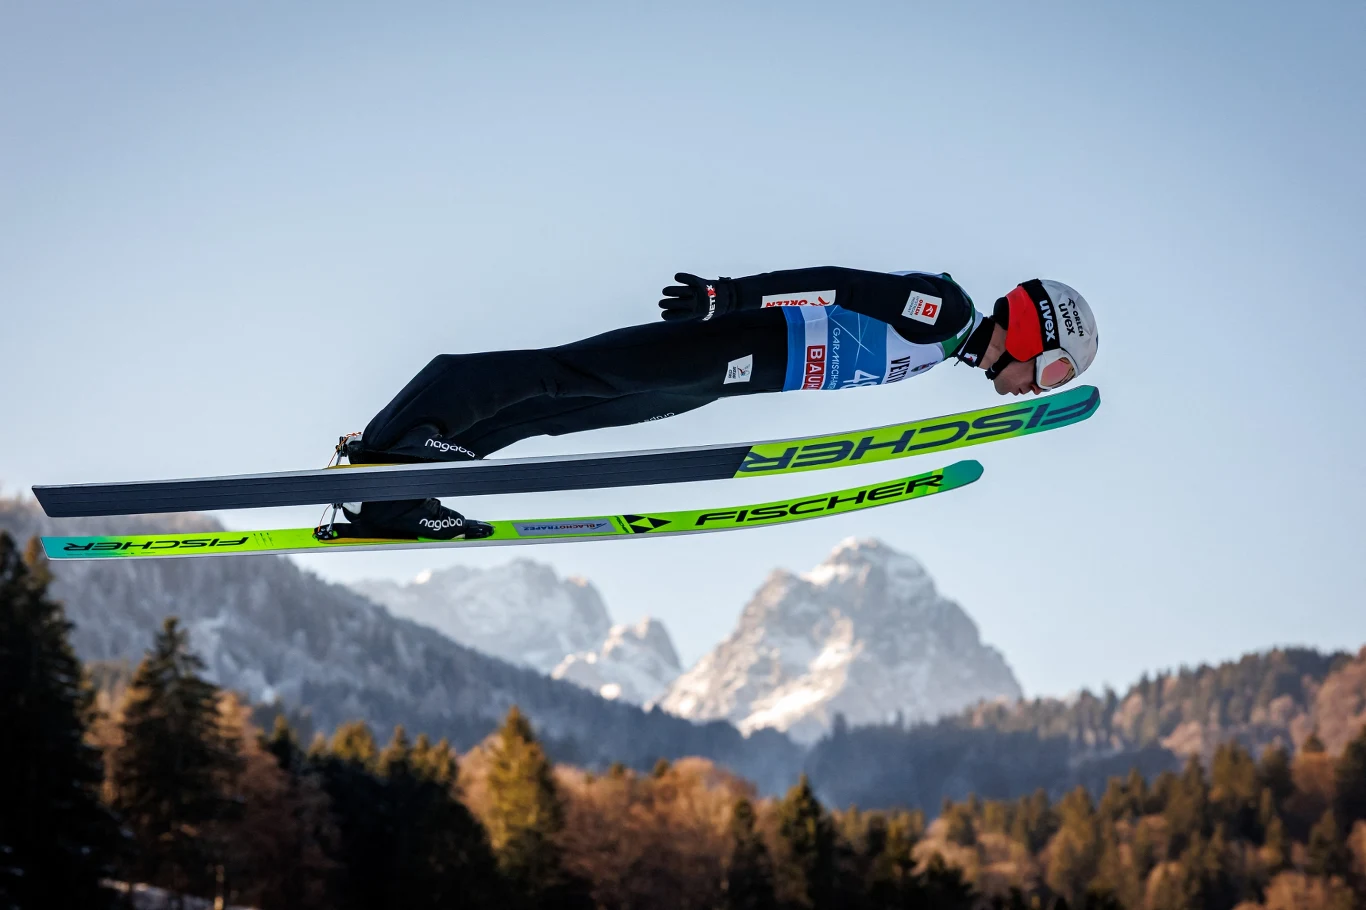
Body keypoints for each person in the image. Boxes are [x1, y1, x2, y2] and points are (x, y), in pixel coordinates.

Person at [330, 266, 1098, 540]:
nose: (1042, 383)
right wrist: (726, 296)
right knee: (567, 375)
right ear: (1037, 332)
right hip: (733, 341)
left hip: (736, 375)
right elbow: (839, 283)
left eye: (1055, 382)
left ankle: (401, 492)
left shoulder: (945, 346)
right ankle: (397, 440)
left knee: (570, 411)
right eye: (1053, 369)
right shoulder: (946, 309)